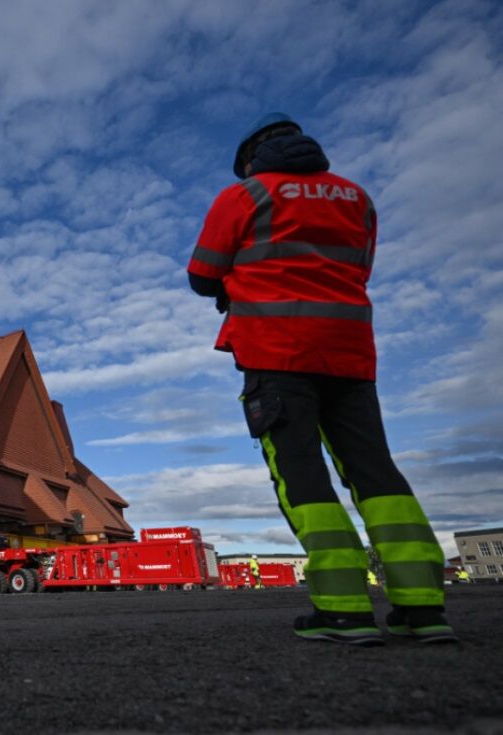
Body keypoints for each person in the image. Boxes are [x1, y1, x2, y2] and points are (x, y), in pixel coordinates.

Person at [187, 113, 456, 645]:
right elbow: (359, 269)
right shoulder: (357, 199)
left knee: (301, 471)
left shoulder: (245, 196)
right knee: (375, 470)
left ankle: (344, 611)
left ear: (251, 159)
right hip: (350, 354)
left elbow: (202, 274)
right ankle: (423, 608)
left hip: (276, 352)